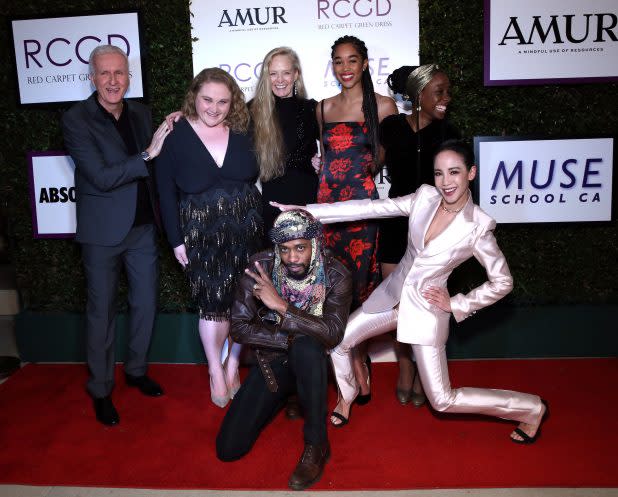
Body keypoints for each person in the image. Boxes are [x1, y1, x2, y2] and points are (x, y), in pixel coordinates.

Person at [272, 140, 548, 443]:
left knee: (442, 400)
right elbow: (371, 206)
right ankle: (348, 395)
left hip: (427, 313)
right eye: (439, 173)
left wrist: (458, 303)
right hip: (391, 297)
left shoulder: (478, 226)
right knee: (339, 340)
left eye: (454, 172)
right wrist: (308, 211)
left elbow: (503, 281)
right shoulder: (425, 197)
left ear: (471, 173)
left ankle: (531, 408)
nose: (445, 182)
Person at [62, 45, 170, 426]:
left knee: (145, 303)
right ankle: (102, 388)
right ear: (91, 78)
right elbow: (102, 176)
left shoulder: (140, 113)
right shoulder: (76, 119)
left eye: (119, 73)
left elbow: (158, 163)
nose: (112, 81)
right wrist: (146, 155)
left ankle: (137, 371)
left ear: (128, 77)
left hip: (142, 228)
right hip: (102, 233)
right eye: (104, 74)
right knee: (102, 311)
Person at [216, 210, 352, 490]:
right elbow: (239, 328)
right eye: (285, 249)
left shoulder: (336, 273)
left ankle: (317, 444)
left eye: (300, 248)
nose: (292, 258)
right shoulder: (260, 267)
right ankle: (286, 395)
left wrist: (281, 306)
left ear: (315, 244)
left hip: (313, 361)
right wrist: (287, 340)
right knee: (228, 449)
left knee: (307, 347)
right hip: (274, 361)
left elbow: (332, 332)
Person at [155, 68, 263, 408]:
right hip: (200, 236)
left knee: (242, 303)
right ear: (193, 97)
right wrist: (175, 240)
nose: (213, 108)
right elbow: (164, 194)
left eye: (222, 101)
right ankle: (215, 369)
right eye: (206, 99)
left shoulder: (245, 132)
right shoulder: (174, 135)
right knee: (211, 306)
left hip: (246, 232)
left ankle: (233, 365)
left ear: (232, 103)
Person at [317, 35, 398, 405]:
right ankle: (343, 367)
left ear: (365, 64)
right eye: (338, 61)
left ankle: (360, 357)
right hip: (328, 208)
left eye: (352, 60)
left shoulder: (383, 106)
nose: (345, 68)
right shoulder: (323, 108)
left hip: (362, 210)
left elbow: (382, 160)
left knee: (363, 287)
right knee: (333, 289)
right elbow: (325, 158)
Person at [379, 64, 459, 407]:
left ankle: (430, 374)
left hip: (434, 228)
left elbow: (457, 187)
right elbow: (371, 165)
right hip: (398, 224)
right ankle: (405, 371)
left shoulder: (449, 133)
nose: (445, 99)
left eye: (447, 91)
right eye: (438, 92)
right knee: (398, 307)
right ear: (418, 95)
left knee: (428, 306)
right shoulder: (392, 127)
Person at [251, 47, 320, 241]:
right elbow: (219, 125)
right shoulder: (253, 111)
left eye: (286, 73)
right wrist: (187, 117)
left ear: (296, 74)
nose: (280, 80)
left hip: (307, 201)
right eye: (273, 73)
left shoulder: (311, 109)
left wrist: (324, 163)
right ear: (266, 76)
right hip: (271, 203)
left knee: (310, 263)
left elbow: (338, 140)